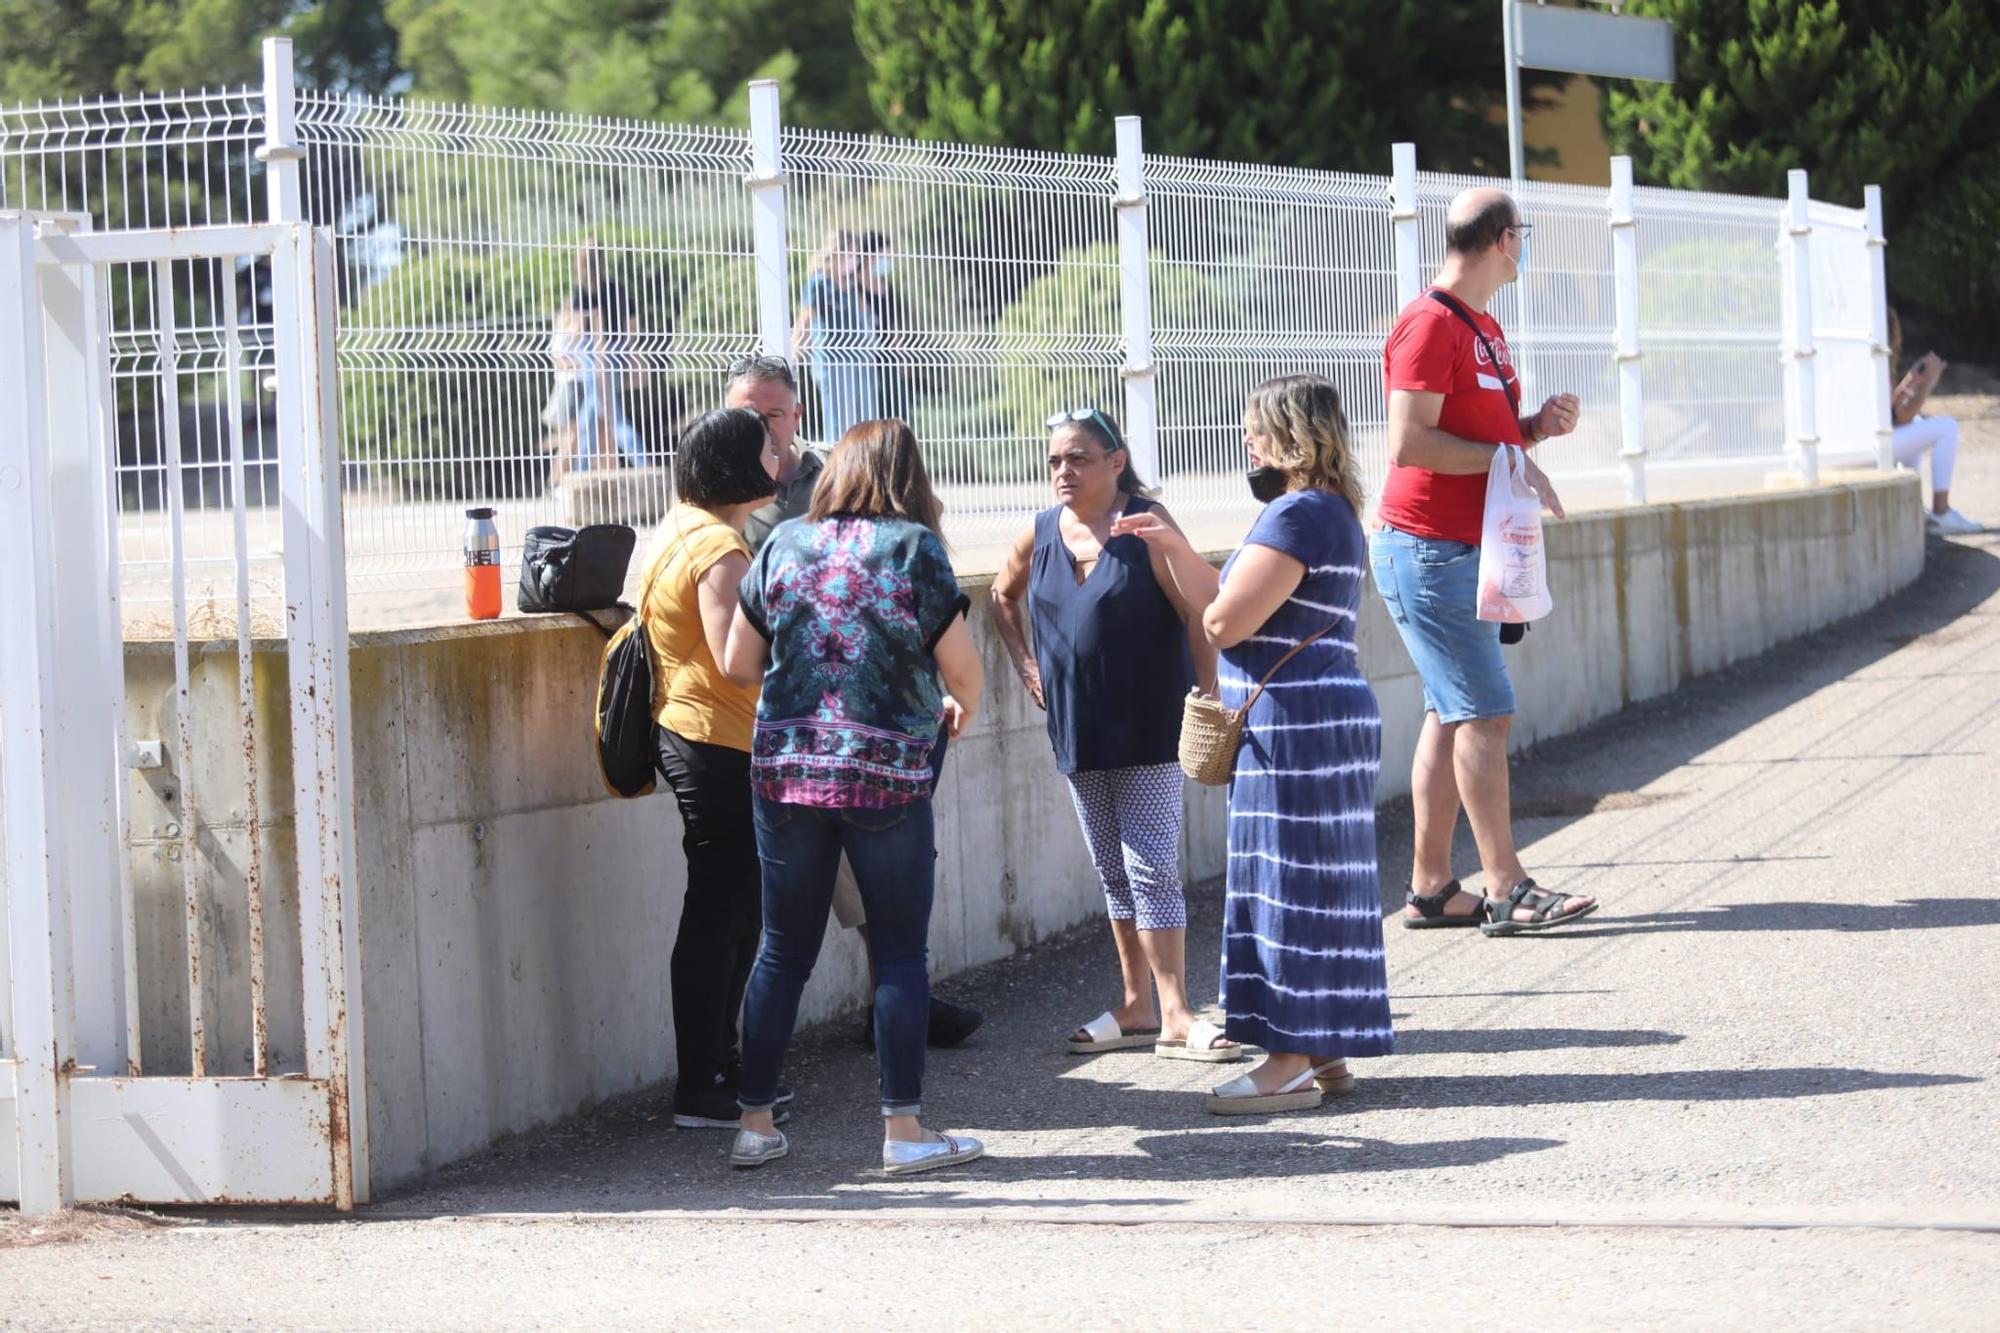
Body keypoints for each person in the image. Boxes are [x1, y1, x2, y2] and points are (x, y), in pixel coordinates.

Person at [1115, 374, 1391, 1114]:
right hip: (1326, 717)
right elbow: (1238, 603)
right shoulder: (1332, 510)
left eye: (1255, 430)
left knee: (1285, 888)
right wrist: (1172, 543)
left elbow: (1223, 623)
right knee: (1324, 885)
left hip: (1293, 725)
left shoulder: (1295, 514)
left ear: (1291, 437)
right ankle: (1322, 1045)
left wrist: (1204, 597)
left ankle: (1287, 1060)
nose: (1246, 442)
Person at [722, 420, 987, 1174]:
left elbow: (740, 662)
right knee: (899, 953)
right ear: (910, 476)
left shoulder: (781, 544)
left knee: (782, 949)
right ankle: (903, 1133)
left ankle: (753, 1124)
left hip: (785, 770)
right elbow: (962, 673)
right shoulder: (912, 548)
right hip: (886, 774)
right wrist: (954, 704)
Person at [1371, 186, 1598, 936]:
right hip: (1428, 551)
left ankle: (1433, 888)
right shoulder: (1430, 324)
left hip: (1466, 548)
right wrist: (1510, 450)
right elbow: (1409, 443)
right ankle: (1507, 887)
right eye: (1522, 235)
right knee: (1487, 712)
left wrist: (1532, 429)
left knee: (1452, 710)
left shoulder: (1484, 328)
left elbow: (1479, 440)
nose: (1524, 247)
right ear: (1505, 239)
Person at [989, 408, 1235, 1063]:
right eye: (1054, 461)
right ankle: (1135, 1003)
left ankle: (1179, 1009)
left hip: (1149, 719)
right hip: (1076, 724)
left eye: (1078, 458)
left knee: (1150, 865)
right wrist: (1025, 662)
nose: (1063, 472)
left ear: (1115, 460)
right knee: (1111, 869)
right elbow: (1001, 597)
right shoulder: (1040, 532)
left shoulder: (1147, 524)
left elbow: (1197, 610)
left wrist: (1207, 691)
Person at [639, 408, 782, 1129]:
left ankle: (722, 1068)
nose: (780, 455)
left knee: (734, 908)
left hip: (702, 737)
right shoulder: (720, 547)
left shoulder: (682, 528)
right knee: (721, 910)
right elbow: (736, 658)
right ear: (735, 465)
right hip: (715, 741)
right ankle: (703, 1079)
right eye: (767, 447)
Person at [1888, 310, 1982, 535]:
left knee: (1919, 423)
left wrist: (1912, 380)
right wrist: (1928, 384)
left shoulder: (1866, 356)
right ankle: (1941, 512)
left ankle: (1914, 507)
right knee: (1947, 427)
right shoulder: (1877, 358)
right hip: (1872, 446)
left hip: (1864, 441)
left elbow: (1890, 410)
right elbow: (1901, 416)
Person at [792, 230, 882, 442]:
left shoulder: (851, 286)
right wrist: (793, 355)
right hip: (833, 363)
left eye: (856, 255)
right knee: (842, 425)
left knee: (865, 423)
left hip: (860, 360)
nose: (854, 260)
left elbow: (866, 318)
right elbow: (805, 322)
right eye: (850, 254)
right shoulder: (819, 284)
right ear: (835, 253)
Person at [572, 238, 645, 469]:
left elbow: (576, 332)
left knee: (612, 418)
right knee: (591, 416)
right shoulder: (616, 289)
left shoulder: (581, 293)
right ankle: (579, 470)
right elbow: (632, 324)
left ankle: (644, 463)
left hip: (593, 355)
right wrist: (630, 353)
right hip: (614, 351)